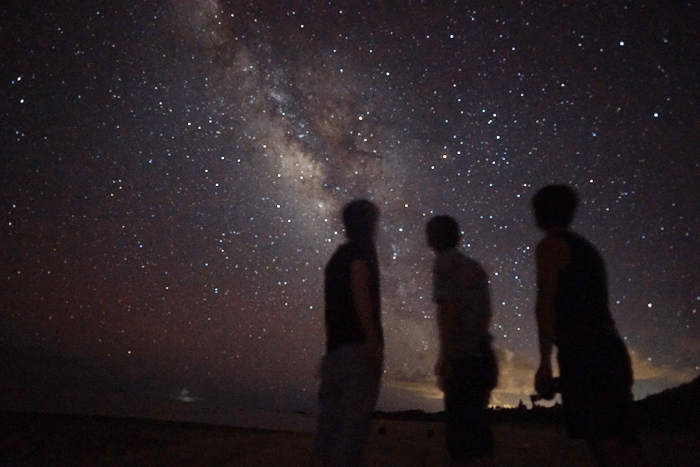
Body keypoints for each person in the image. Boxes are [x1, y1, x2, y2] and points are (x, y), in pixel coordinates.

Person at [532, 184, 639, 467]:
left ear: (542, 213)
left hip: (584, 352)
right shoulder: (589, 251)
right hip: (612, 349)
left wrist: (545, 363)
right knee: (625, 442)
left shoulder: (549, 246)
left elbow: (545, 303)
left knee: (602, 443)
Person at [313, 199, 383, 467]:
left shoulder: (335, 259)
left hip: (335, 353)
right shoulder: (362, 251)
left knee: (327, 430)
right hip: (357, 352)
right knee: (351, 433)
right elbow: (359, 283)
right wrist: (372, 337)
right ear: (370, 224)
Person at [427, 215, 497, 467]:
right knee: (479, 433)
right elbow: (486, 315)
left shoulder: (443, 263)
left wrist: (445, 355)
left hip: (462, 359)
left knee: (459, 439)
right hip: (483, 354)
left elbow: (449, 309)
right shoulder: (475, 268)